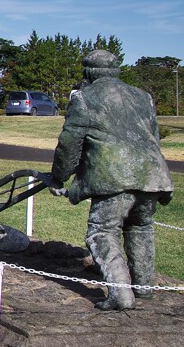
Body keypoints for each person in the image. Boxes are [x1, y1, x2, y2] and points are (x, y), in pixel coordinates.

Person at [49, 49, 174, 310]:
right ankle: (143, 288)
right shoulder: (143, 97)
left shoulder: (84, 98)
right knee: (141, 227)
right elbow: (153, 137)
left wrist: (59, 177)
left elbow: (69, 144)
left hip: (114, 178)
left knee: (102, 231)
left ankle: (120, 295)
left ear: (88, 72)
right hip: (152, 175)